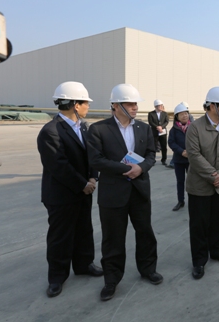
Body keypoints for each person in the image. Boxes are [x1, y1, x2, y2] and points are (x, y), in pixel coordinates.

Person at [87, 84, 162, 301]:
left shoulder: (144, 128)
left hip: (139, 190)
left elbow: (151, 154)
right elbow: (96, 160)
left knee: (145, 233)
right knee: (113, 239)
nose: (135, 107)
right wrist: (125, 169)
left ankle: (148, 269)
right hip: (113, 194)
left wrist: (142, 168)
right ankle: (111, 279)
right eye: (130, 104)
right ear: (115, 105)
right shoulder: (99, 129)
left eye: (135, 103)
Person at [37, 82, 103, 298]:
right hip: (62, 194)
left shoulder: (83, 127)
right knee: (60, 236)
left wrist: (92, 176)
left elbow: (92, 154)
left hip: (84, 190)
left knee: (84, 229)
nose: (88, 107)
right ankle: (57, 277)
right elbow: (58, 165)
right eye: (85, 103)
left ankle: (84, 264)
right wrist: (82, 184)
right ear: (75, 105)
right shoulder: (50, 131)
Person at [186, 87, 219, 279]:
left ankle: (216, 251)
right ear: (212, 106)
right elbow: (194, 155)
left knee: (217, 221)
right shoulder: (195, 127)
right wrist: (213, 175)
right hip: (199, 186)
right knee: (199, 225)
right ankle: (199, 260)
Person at [168, 102, 195, 211]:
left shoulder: (193, 127)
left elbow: (198, 140)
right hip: (179, 160)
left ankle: (193, 200)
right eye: (181, 114)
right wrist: (181, 151)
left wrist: (190, 151)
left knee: (192, 181)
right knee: (180, 181)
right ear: (177, 117)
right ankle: (181, 201)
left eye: (186, 113)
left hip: (191, 160)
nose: (184, 116)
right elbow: (171, 142)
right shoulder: (174, 130)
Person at [148, 99, 170, 166]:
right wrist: (157, 127)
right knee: (154, 146)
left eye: (161, 105)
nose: (161, 107)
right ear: (155, 107)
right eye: (159, 106)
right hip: (154, 132)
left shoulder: (165, 113)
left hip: (163, 132)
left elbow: (166, 121)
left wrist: (161, 127)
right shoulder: (151, 114)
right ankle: (153, 160)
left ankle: (164, 160)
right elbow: (150, 122)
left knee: (164, 147)